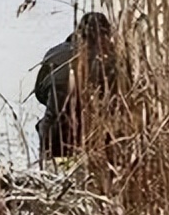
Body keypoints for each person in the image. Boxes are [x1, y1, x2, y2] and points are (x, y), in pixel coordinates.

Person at [34, 11, 117, 161]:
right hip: (88, 137)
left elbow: (39, 92)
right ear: (105, 36)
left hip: (51, 136)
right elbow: (118, 98)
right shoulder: (110, 60)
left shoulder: (55, 52)